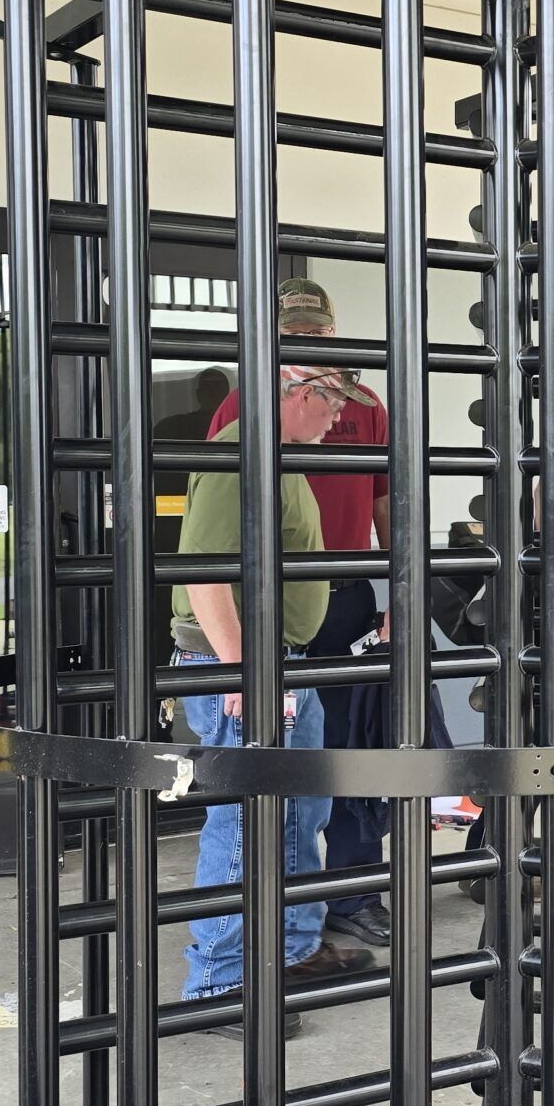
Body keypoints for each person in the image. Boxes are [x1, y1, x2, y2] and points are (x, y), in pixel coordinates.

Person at [174, 355, 375, 1011]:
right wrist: (244, 671)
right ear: (295, 390)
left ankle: (291, 947)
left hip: (285, 662)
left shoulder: (280, 453)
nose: (343, 410)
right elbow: (205, 573)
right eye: (335, 395)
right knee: (241, 821)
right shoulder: (242, 454)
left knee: (300, 813)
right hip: (242, 668)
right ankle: (218, 983)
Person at [207, 279, 396, 952]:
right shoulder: (243, 405)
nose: (311, 342)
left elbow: (388, 504)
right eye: (298, 332)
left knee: (346, 753)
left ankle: (348, 894)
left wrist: (401, 596)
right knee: (276, 771)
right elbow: (218, 512)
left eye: (320, 331)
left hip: (343, 598)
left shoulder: (368, 405)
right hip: (271, 607)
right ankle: (251, 938)